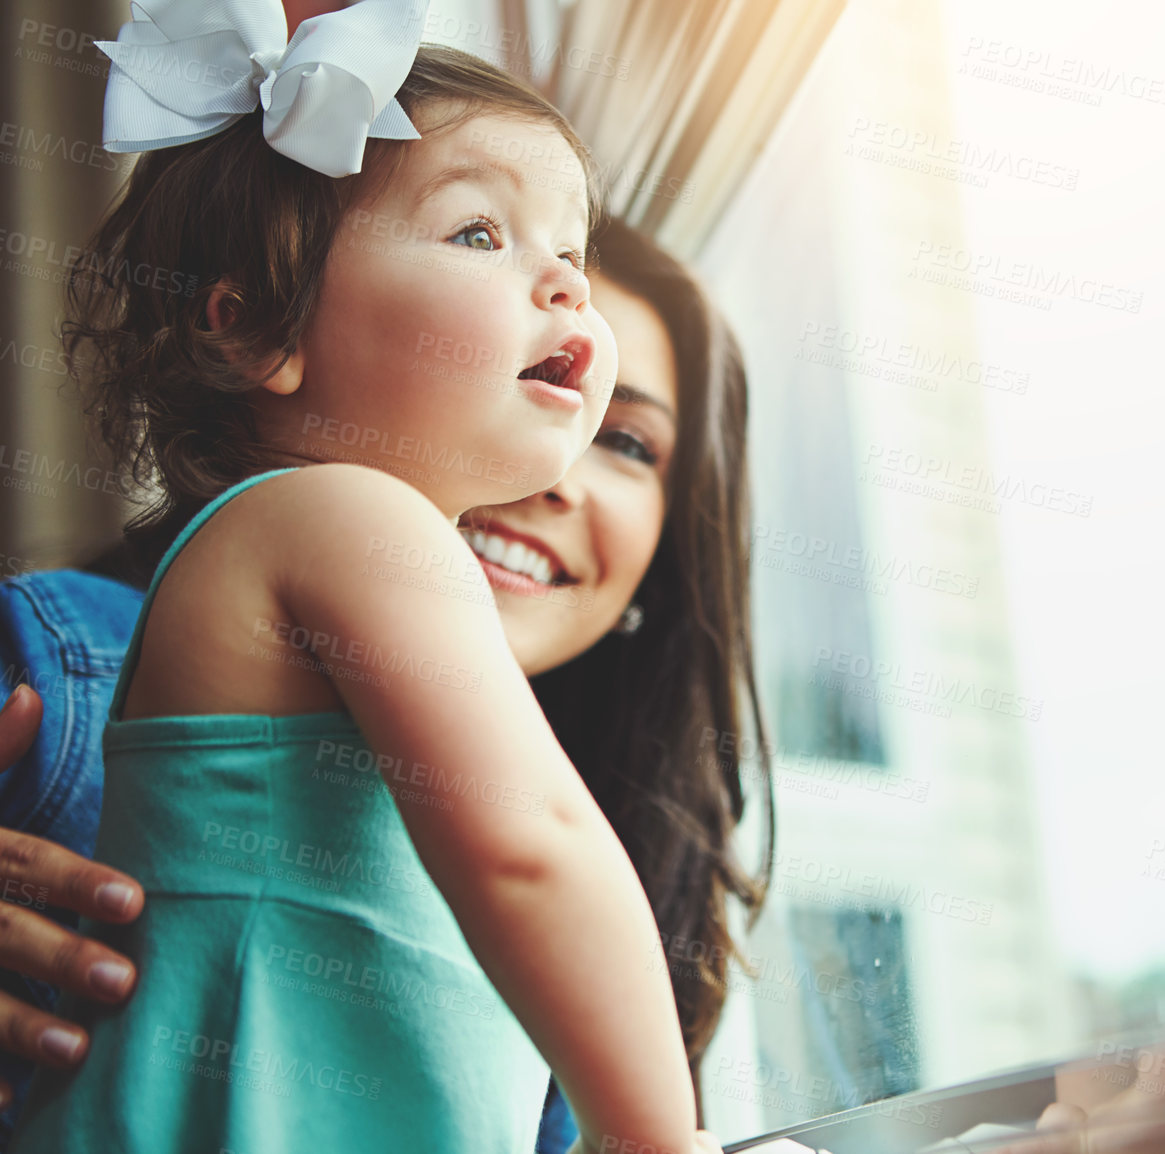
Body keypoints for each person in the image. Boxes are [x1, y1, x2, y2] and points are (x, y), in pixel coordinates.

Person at [5, 9, 700, 1150]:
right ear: (255, 330)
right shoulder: (346, 515)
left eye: (568, 253)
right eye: (480, 234)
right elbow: (534, 851)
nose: (568, 289)